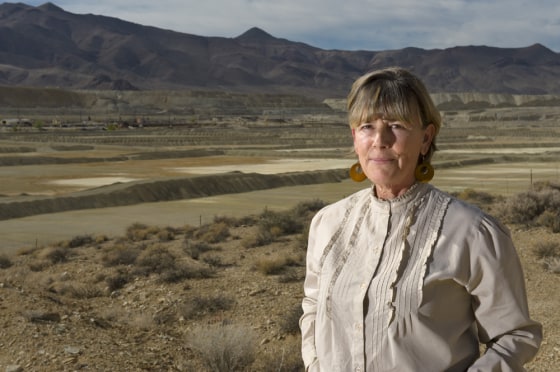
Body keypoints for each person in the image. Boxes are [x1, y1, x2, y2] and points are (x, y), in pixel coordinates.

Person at [299, 67, 542, 371]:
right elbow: (312, 308)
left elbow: (514, 334)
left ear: (426, 138)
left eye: (397, 125)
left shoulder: (471, 232)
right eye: (366, 127)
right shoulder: (327, 224)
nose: (380, 140)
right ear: (354, 137)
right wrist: (315, 364)